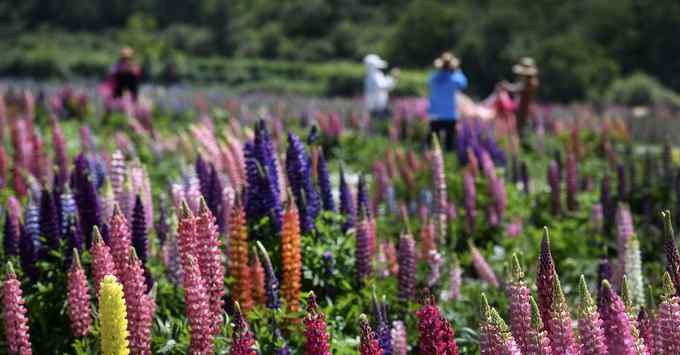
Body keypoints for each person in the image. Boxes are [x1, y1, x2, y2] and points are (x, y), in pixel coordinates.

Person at [427, 52, 468, 150]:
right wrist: (458, 71)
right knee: (449, 144)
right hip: (450, 114)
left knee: (433, 143)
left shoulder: (433, 77)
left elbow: (429, 83)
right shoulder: (456, 79)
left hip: (435, 114)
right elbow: (464, 83)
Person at [501, 57, 539, 141]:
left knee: (523, 134)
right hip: (522, 110)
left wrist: (506, 86)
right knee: (521, 132)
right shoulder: (526, 80)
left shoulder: (531, 82)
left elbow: (516, 88)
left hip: (525, 111)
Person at [364, 54, 397, 118]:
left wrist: (392, 79)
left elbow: (387, 86)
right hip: (377, 107)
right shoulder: (374, 76)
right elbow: (383, 86)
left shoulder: (373, 75)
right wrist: (393, 77)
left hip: (377, 106)